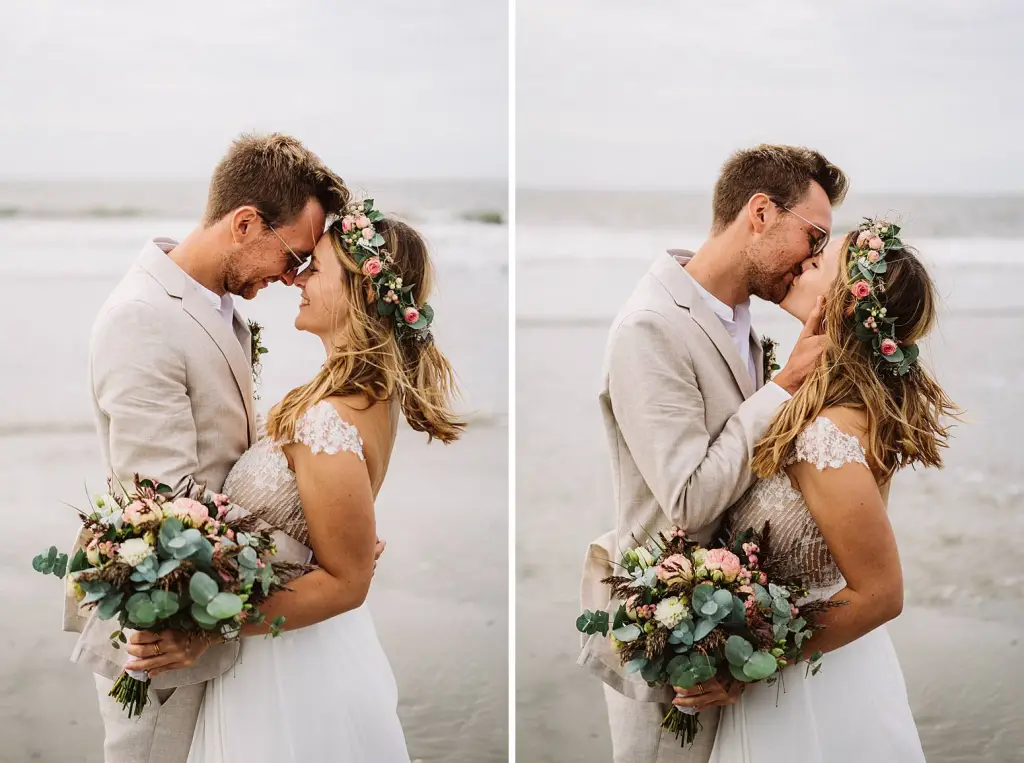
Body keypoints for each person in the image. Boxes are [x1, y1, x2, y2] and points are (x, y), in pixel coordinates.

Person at [121, 205, 463, 762]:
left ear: (361, 292)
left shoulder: (329, 418)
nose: (296, 280)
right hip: (288, 653)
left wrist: (207, 627)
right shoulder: (358, 397)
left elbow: (347, 583)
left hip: (287, 677)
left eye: (316, 268)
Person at [66, 132, 355, 763]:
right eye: (293, 255)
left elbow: (226, 463)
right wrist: (317, 555)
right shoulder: (142, 318)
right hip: (164, 638)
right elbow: (165, 508)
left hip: (214, 620)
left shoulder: (220, 306)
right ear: (245, 223)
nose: (293, 277)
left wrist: (325, 527)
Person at [579, 144, 847, 763]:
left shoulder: (739, 317)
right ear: (761, 213)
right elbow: (689, 499)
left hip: (732, 638)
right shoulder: (650, 326)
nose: (814, 257)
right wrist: (783, 387)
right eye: (813, 236)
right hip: (670, 646)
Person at [707, 220, 958, 762]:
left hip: (807, 696)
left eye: (819, 262)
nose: (803, 261)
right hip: (836, 669)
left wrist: (748, 663)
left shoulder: (826, 434)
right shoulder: (840, 407)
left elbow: (881, 594)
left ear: (847, 305)